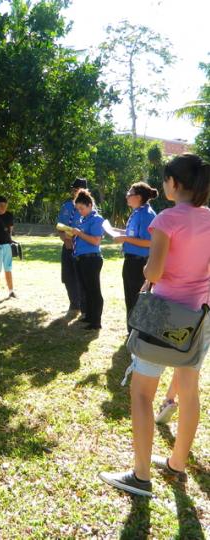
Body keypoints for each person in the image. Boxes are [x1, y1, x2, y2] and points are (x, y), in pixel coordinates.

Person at [99, 153, 210, 498]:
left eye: (165, 181)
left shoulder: (166, 219)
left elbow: (154, 272)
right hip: (198, 318)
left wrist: (148, 270)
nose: (164, 186)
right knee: (189, 393)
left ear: (175, 183)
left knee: (142, 394)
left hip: (161, 315)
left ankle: (141, 475)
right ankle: (177, 463)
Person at [112, 183, 158, 332]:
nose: (126, 196)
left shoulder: (146, 214)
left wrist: (124, 238)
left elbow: (148, 242)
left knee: (137, 299)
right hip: (132, 261)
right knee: (131, 298)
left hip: (139, 264)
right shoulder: (139, 212)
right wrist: (116, 230)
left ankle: (136, 333)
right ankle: (132, 332)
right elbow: (134, 234)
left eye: (129, 194)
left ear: (138, 197)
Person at [70, 189, 104, 330]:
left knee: (94, 290)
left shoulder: (97, 219)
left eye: (82, 208)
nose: (80, 211)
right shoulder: (84, 219)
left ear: (90, 205)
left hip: (91, 260)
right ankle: (89, 316)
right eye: (78, 209)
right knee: (86, 290)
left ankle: (96, 321)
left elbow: (96, 241)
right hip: (81, 259)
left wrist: (79, 233)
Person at [57, 178, 87, 313]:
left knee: (81, 277)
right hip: (67, 246)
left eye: (78, 190)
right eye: (74, 190)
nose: (75, 192)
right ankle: (73, 302)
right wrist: (65, 239)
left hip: (82, 248)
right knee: (68, 276)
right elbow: (59, 226)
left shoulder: (90, 207)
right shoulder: (66, 206)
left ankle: (83, 303)